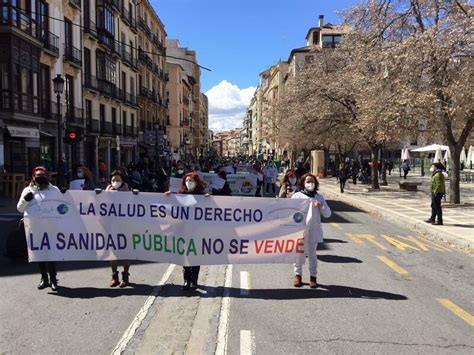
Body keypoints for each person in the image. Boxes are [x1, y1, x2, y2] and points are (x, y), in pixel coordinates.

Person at [17, 166, 62, 291]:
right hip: (35, 227)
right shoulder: (28, 190)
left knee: (50, 254)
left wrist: (65, 194)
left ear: (47, 176)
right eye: (38, 176)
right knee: (39, 253)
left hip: (51, 226)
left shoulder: (54, 190)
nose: (40, 177)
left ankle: (53, 278)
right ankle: (44, 278)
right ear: (33, 177)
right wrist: (26, 200)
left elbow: (63, 205)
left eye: (43, 175)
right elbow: (20, 209)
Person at [165, 172, 208, 290]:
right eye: (187, 181)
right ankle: (186, 280)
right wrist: (169, 196)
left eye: (191, 181)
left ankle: (194, 280)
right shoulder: (180, 195)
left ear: (196, 182)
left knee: (195, 255)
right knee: (185, 256)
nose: (188, 183)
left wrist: (208, 199)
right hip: (183, 230)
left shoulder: (202, 196)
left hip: (197, 231)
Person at [291, 173, 331, 288]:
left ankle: (313, 277)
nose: (310, 184)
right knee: (299, 254)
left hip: (313, 230)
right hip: (300, 230)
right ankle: (297, 275)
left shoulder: (319, 197)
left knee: (312, 254)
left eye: (312, 181)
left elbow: (327, 214)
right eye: (308, 181)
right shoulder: (297, 196)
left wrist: (321, 206)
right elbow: (289, 212)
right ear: (303, 183)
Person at [101, 170, 137, 287]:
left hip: (125, 227)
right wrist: (96, 195)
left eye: (118, 180)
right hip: (111, 227)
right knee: (112, 253)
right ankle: (114, 276)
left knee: (125, 252)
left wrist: (137, 195)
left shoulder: (128, 193)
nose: (115, 182)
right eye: (113, 180)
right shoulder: (106, 192)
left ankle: (125, 276)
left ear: (122, 181)